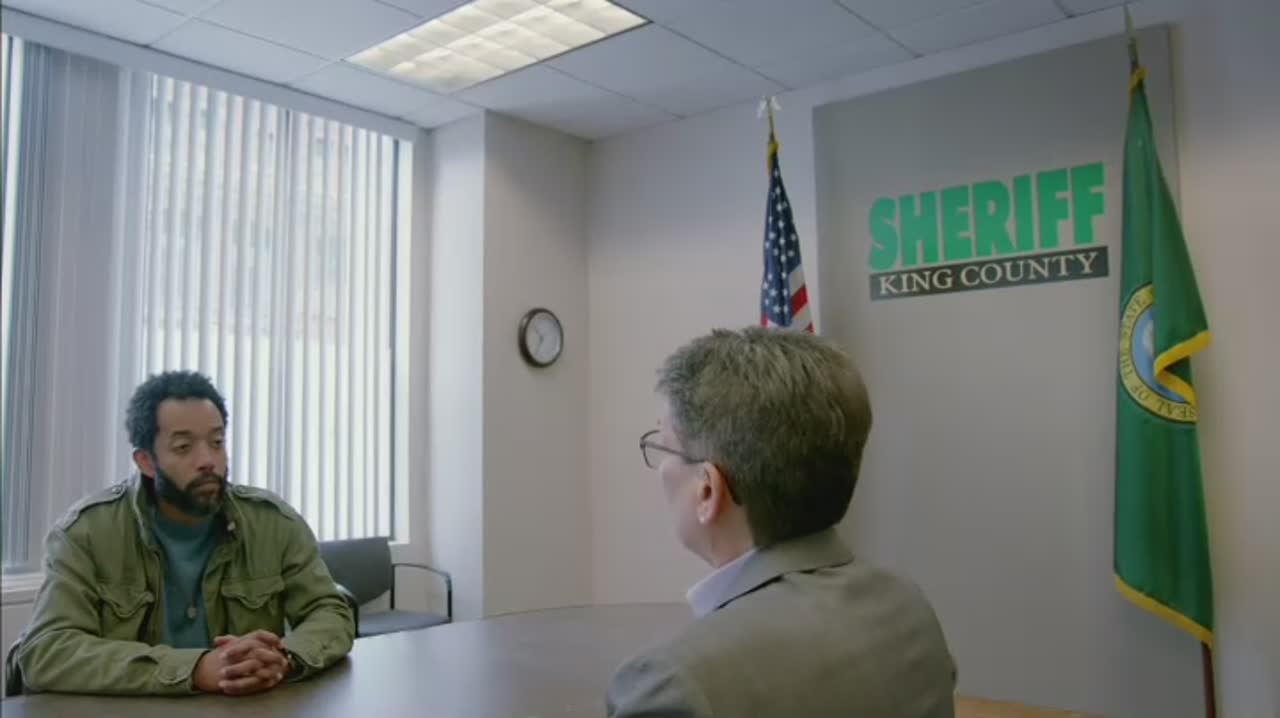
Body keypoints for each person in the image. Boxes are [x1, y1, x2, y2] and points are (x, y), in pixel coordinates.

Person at [607, 327, 957, 717]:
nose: (660, 469)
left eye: (663, 445)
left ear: (707, 490)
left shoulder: (675, 688)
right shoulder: (909, 608)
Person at [5, 370, 354, 696]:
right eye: (184, 447)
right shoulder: (87, 533)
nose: (208, 460)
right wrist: (195, 669)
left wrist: (285, 658)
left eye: (217, 441)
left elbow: (330, 611)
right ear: (145, 461)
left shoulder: (272, 523)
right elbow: (46, 651)